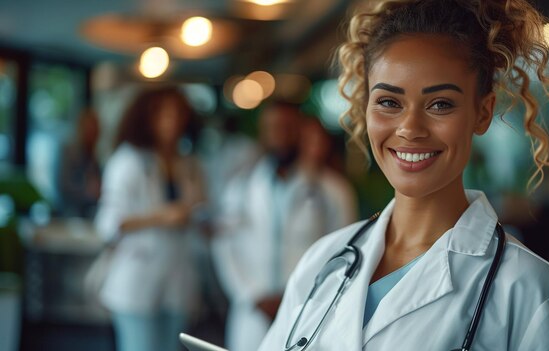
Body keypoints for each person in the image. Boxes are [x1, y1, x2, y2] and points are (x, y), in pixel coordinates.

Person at [259, 0, 549, 350]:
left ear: (482, 113)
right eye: (389, 102)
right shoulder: (323, 261)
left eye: (440, 104)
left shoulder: (536, 296)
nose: (410, 128)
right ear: (366, 106)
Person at [211, 102, 356, 351]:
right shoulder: (240, 188)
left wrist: (302, 294)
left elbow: (348, 251)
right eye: (273, 128)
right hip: (252, 307)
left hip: (308, 306)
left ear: (301, 131)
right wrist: (251, 295)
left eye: (288, 128)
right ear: (262, 133)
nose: (280, 135)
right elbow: (224, 246)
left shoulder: (332, 191)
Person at [95, 86, 206, 351]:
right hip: (137, 279)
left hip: (178, 279)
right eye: (165, 115)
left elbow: (200, 207)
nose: (173, 122)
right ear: (146, 118)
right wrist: (162, 217)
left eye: (178, 114)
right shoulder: (128, 161)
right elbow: (109, 223)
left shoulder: (188, 164)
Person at [58, 108, 101, 218]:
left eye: (94, 130)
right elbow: (63, 184)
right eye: (89, 129)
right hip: (69, 213)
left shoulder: (93, 156)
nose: (92, 134)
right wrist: (87, 191)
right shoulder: (69, 152)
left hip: (89, 213)